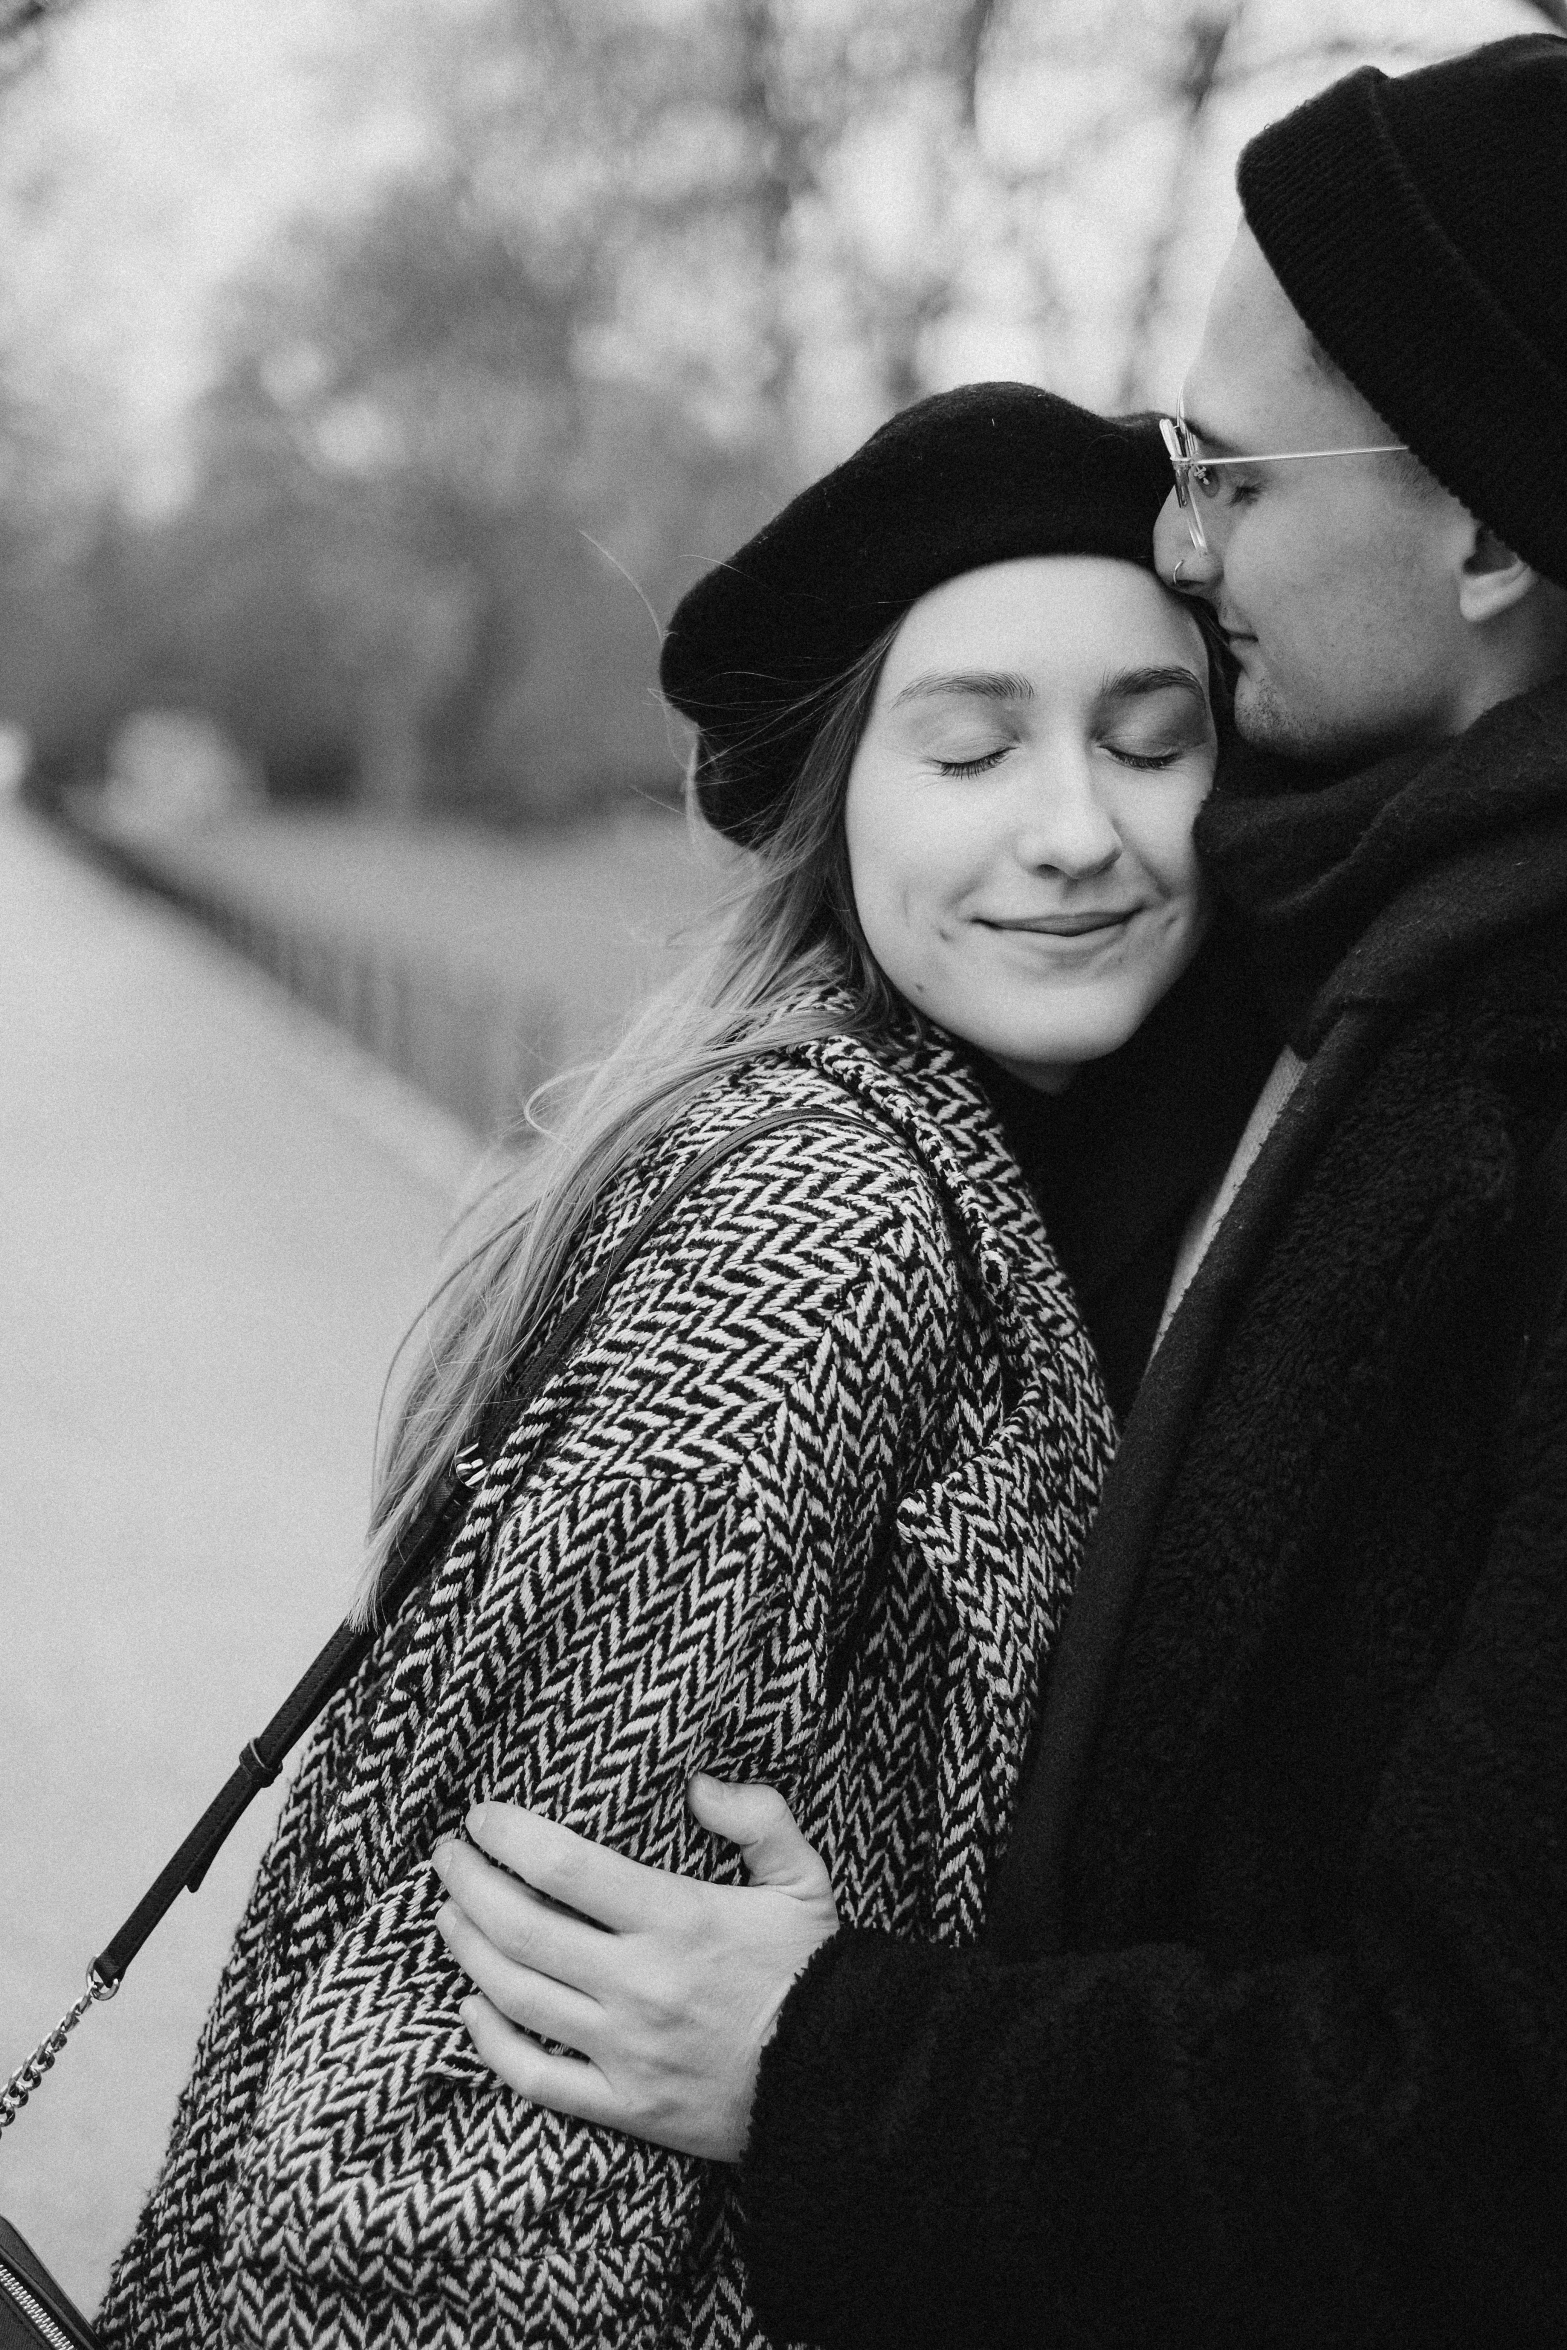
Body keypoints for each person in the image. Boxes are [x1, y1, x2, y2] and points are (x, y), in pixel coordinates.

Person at [435, 34, 1567, 2348]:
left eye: (1230, 477)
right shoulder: (1263, 992)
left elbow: (1491, 2130)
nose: (1182, 540)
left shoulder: (1453, 1047)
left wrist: (843, 2063)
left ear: (1484, 526)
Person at [95, 386, 1276, 2350]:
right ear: (840, 796)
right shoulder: (827, 1230)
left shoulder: (1009, 1158)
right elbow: (501, 2075)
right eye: (972, 744)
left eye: (1153, 743)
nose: (1075, 830)